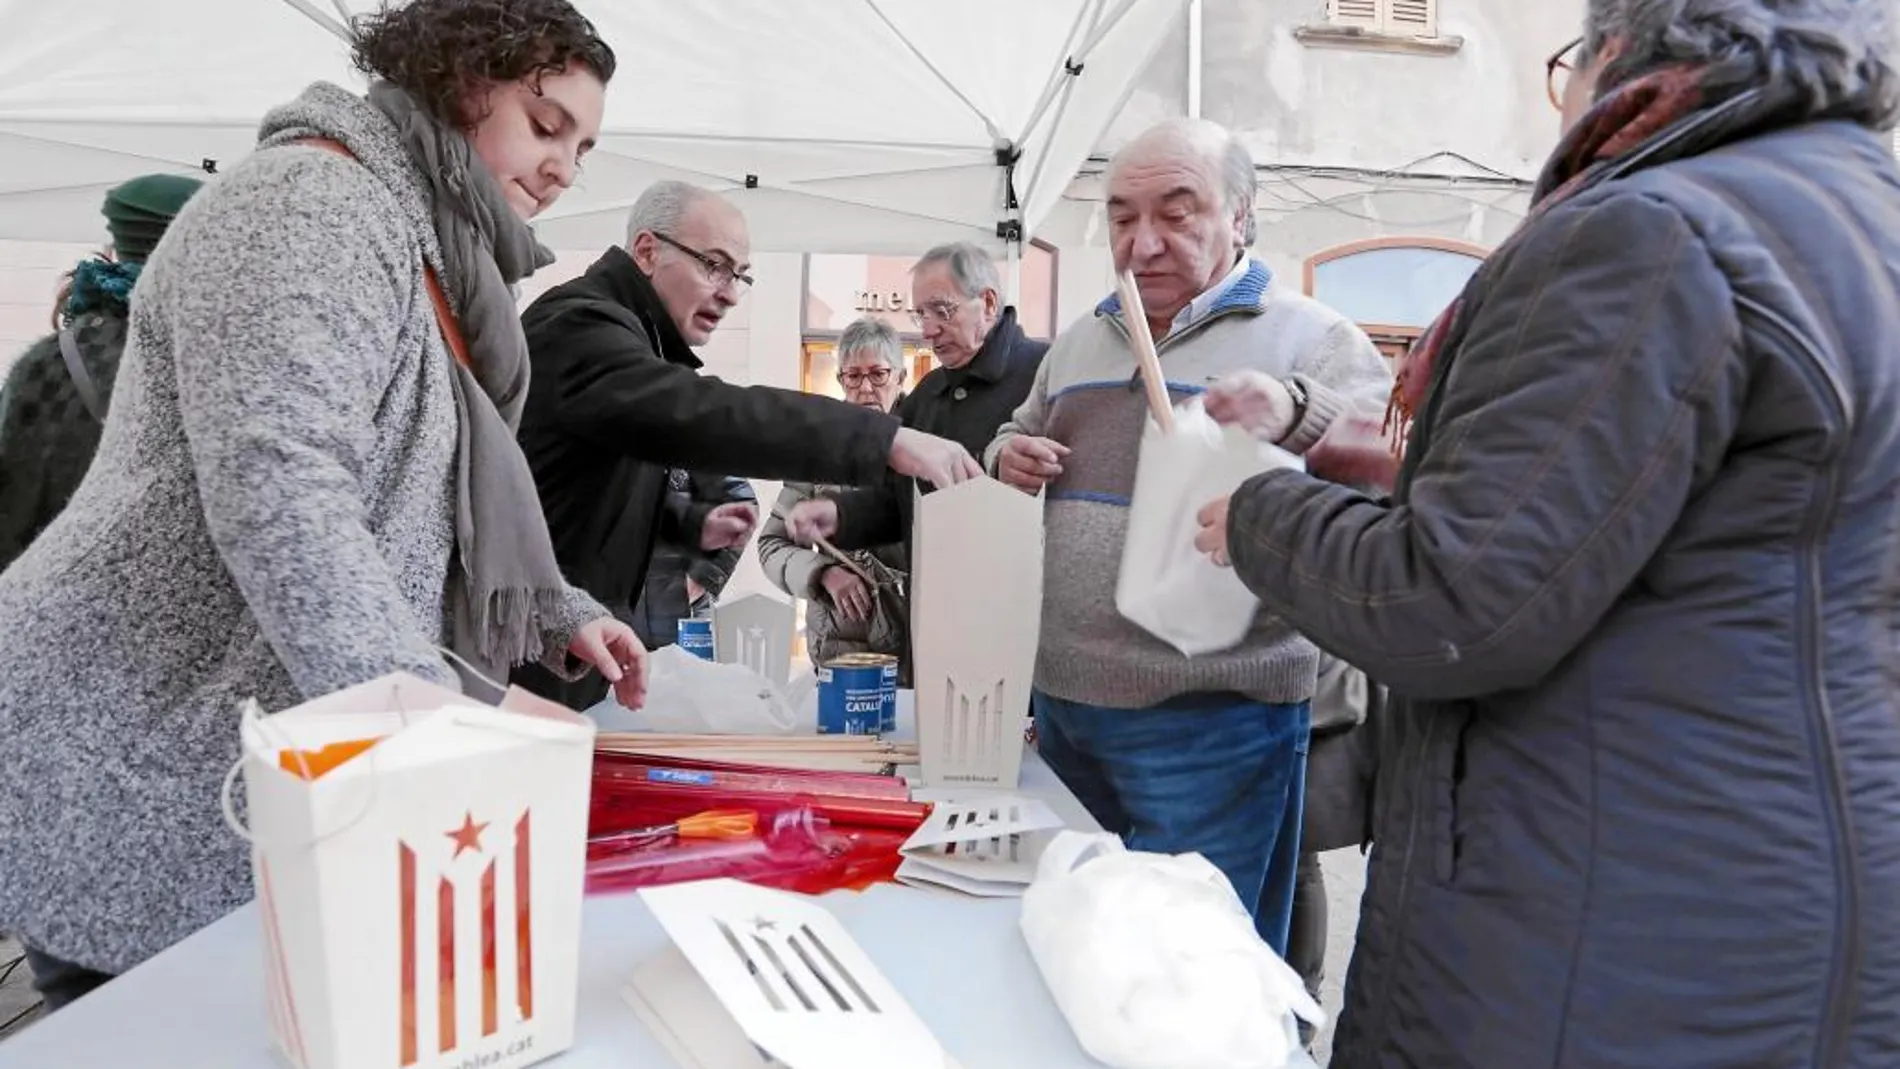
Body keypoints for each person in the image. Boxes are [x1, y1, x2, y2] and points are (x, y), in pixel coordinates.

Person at [1195, 1, 1900, 1064]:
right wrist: (1347, 447)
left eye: (1564, 67)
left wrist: (1257, 510)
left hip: (1604, 917)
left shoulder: (1648, 229)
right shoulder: (1857, 214)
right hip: (1785, 886)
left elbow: (1451, 597)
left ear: (1619, 53)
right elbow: (1662, 510)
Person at [0, 0, 647, 1009]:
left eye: (586, 145)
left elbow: (411, 488)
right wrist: (434, 728)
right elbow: (281, 486)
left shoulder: (418, 240)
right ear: (458, 82)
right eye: (544, 122)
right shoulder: (309, 202)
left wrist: (556, 604)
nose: (565, 166)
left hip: (230, 741)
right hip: (136, 740)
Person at [982, 118, 1392, 955]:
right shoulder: (1082, 339)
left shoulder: (1313, 336)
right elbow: (1014, 429)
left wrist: (1295, 423)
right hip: (1067, 705)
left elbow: (1394, 463)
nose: (1144, 243)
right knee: (1080, 950)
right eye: (1123, 217)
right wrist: (1006, 452)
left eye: (1177, 212)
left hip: (1220, 715)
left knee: (1199, 969)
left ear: (1239, 215)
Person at [514, 180, 980, 708]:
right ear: (647, 251)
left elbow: (593, 484)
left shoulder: (633, 338)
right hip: (538, 647)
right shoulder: (583, 325)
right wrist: (887, 440)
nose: (730, 292)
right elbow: (706, 414)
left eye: (740, 276)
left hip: (579, 643)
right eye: (714, 266)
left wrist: (689, 525)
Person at [782, 242, 1048, 583]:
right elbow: (897, 502)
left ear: (988, 303)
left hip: (1019, 603)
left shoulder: (1045, 373)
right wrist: (840, 514)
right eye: (920, 314)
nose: (927, 330)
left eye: (942, 310)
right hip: (933, 607)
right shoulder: (928, 393)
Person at [0, 173, 203, 571]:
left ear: (116, 245)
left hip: (49, 580)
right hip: (160, 587)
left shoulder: (51, 362)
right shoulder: (225, 360)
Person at [759, 317, 911, 670]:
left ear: (900, 377)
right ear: (840, 379)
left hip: (916, 645)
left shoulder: (926, 443)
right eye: (853, 376)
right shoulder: (818, 452)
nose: (865, 387)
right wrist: (822, 573)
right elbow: (771, 545)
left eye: (878, 374)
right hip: (839, 653)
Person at [630, 469, 758, 650]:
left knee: (692, 675)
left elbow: (741, 504)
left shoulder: (691, 444)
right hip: (618, 616)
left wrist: (702, 578)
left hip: (687, 613)